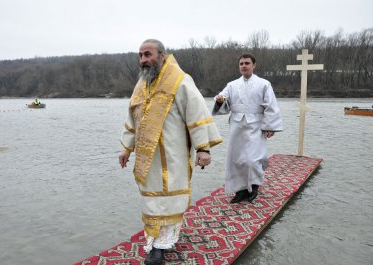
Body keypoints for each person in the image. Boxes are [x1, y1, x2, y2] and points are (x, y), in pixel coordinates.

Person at [118, 39, 222, 265]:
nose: (144, 60)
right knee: (152, 201)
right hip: (147, 159)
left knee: (169, 200)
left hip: (172, 157)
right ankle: (157, 239)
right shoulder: (140, 85)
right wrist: (126, 147)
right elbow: (132, 119)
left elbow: (196, 115)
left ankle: (159, 247)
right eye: (141, 55)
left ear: (162, 55)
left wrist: (203, 148)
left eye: (148, 54)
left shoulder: (180, 81)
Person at [213, 53, 283, 204]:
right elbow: (222, 99)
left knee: (253, 159)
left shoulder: (264, 84)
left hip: (256, 124)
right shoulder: (232, 85)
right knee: (237, 159)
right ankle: (240, 190)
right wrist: (219, 100)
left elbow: (271, 106)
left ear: (254, 65)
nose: (244, 66)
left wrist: (269, 126)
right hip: (237, 125)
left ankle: (255, 186)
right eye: (241, 64)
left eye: (247, 63)